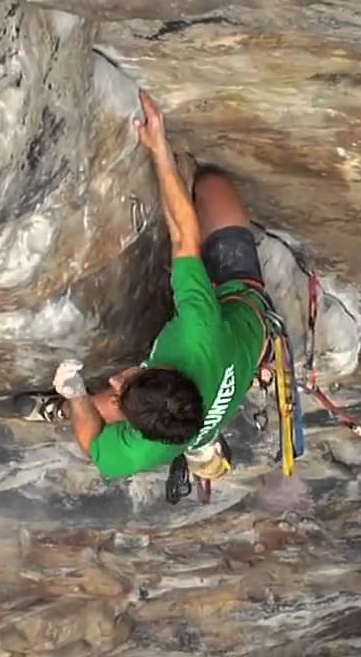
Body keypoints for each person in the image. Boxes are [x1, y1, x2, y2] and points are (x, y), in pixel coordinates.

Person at [50, 91, 270, 478]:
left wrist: (77, 396)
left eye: (119, 390)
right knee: (212, 184)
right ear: (164, 367)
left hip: (215, 363)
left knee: (91, 410)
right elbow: (185, 236)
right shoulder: (197, 331)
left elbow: (94, 447)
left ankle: (64, 407)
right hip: (240, 300)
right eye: (126, 382)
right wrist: (159, 148)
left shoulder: (141, 452)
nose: (116, 378)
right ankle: (203, 447)